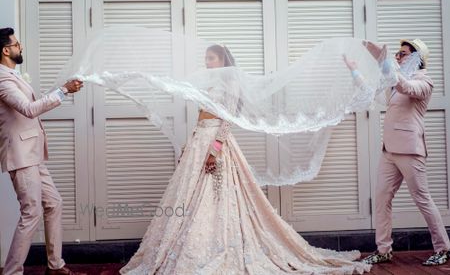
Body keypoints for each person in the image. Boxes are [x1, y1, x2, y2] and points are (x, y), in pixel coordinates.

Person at [120, 44, 371, 274]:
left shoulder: (230, 84)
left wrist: (215, 148)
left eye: (211, 58)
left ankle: (219, 246)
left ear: (223, 60)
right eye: (206, 58)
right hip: (200, 140)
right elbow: (202, 117)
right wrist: (190, 145)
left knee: (217, 196)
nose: (207, 62)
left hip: (216, 144)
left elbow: (227, 119)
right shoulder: (210, 83)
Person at [344, 39, 450, 266]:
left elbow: (407, 88)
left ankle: (443, 248)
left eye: (403, 54)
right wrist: (354, 70)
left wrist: (385, 64)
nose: (398, 57)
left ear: (416, 57)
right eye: (397, 54)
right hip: (389, 150)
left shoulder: (424, 81)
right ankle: (383, 250)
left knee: (422, 199)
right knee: (382, 199)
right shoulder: (394, 82)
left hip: (411, 150)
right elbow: (371, 92)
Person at [0, 27, 84, 275]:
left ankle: (55, 266)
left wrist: (64, 88)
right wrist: (64, 90)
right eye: (17, 44)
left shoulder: (11, 75)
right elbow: (28, 109)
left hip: (33, 154)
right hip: (21, 155)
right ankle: (12, 272)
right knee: (31, 212)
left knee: (54, 203)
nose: (20, 47)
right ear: (6, 50)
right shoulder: (2, 80)